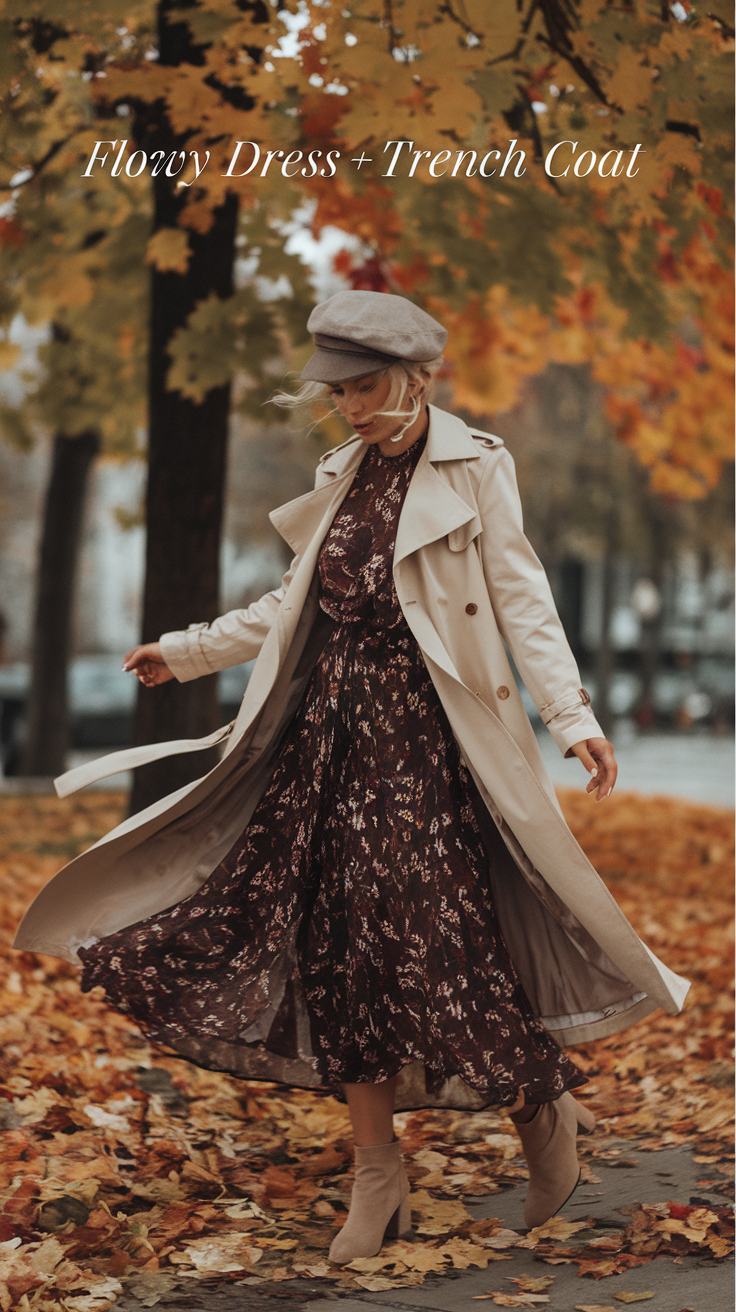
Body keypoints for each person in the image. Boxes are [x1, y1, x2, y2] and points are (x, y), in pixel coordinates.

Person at [14, 291, 689, 1265]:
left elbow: (521, 600)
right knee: (333, 950)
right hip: (324, 747)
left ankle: (542, 1110)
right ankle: (377, 1174)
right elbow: (287, 607)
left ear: (415, 376)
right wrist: (185, 650)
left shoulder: (475, 467)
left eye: (365, 386)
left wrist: (573, 715)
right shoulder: (341, 473)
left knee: (439, 947)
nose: (349, 406)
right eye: (336, 390)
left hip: (427, 752)